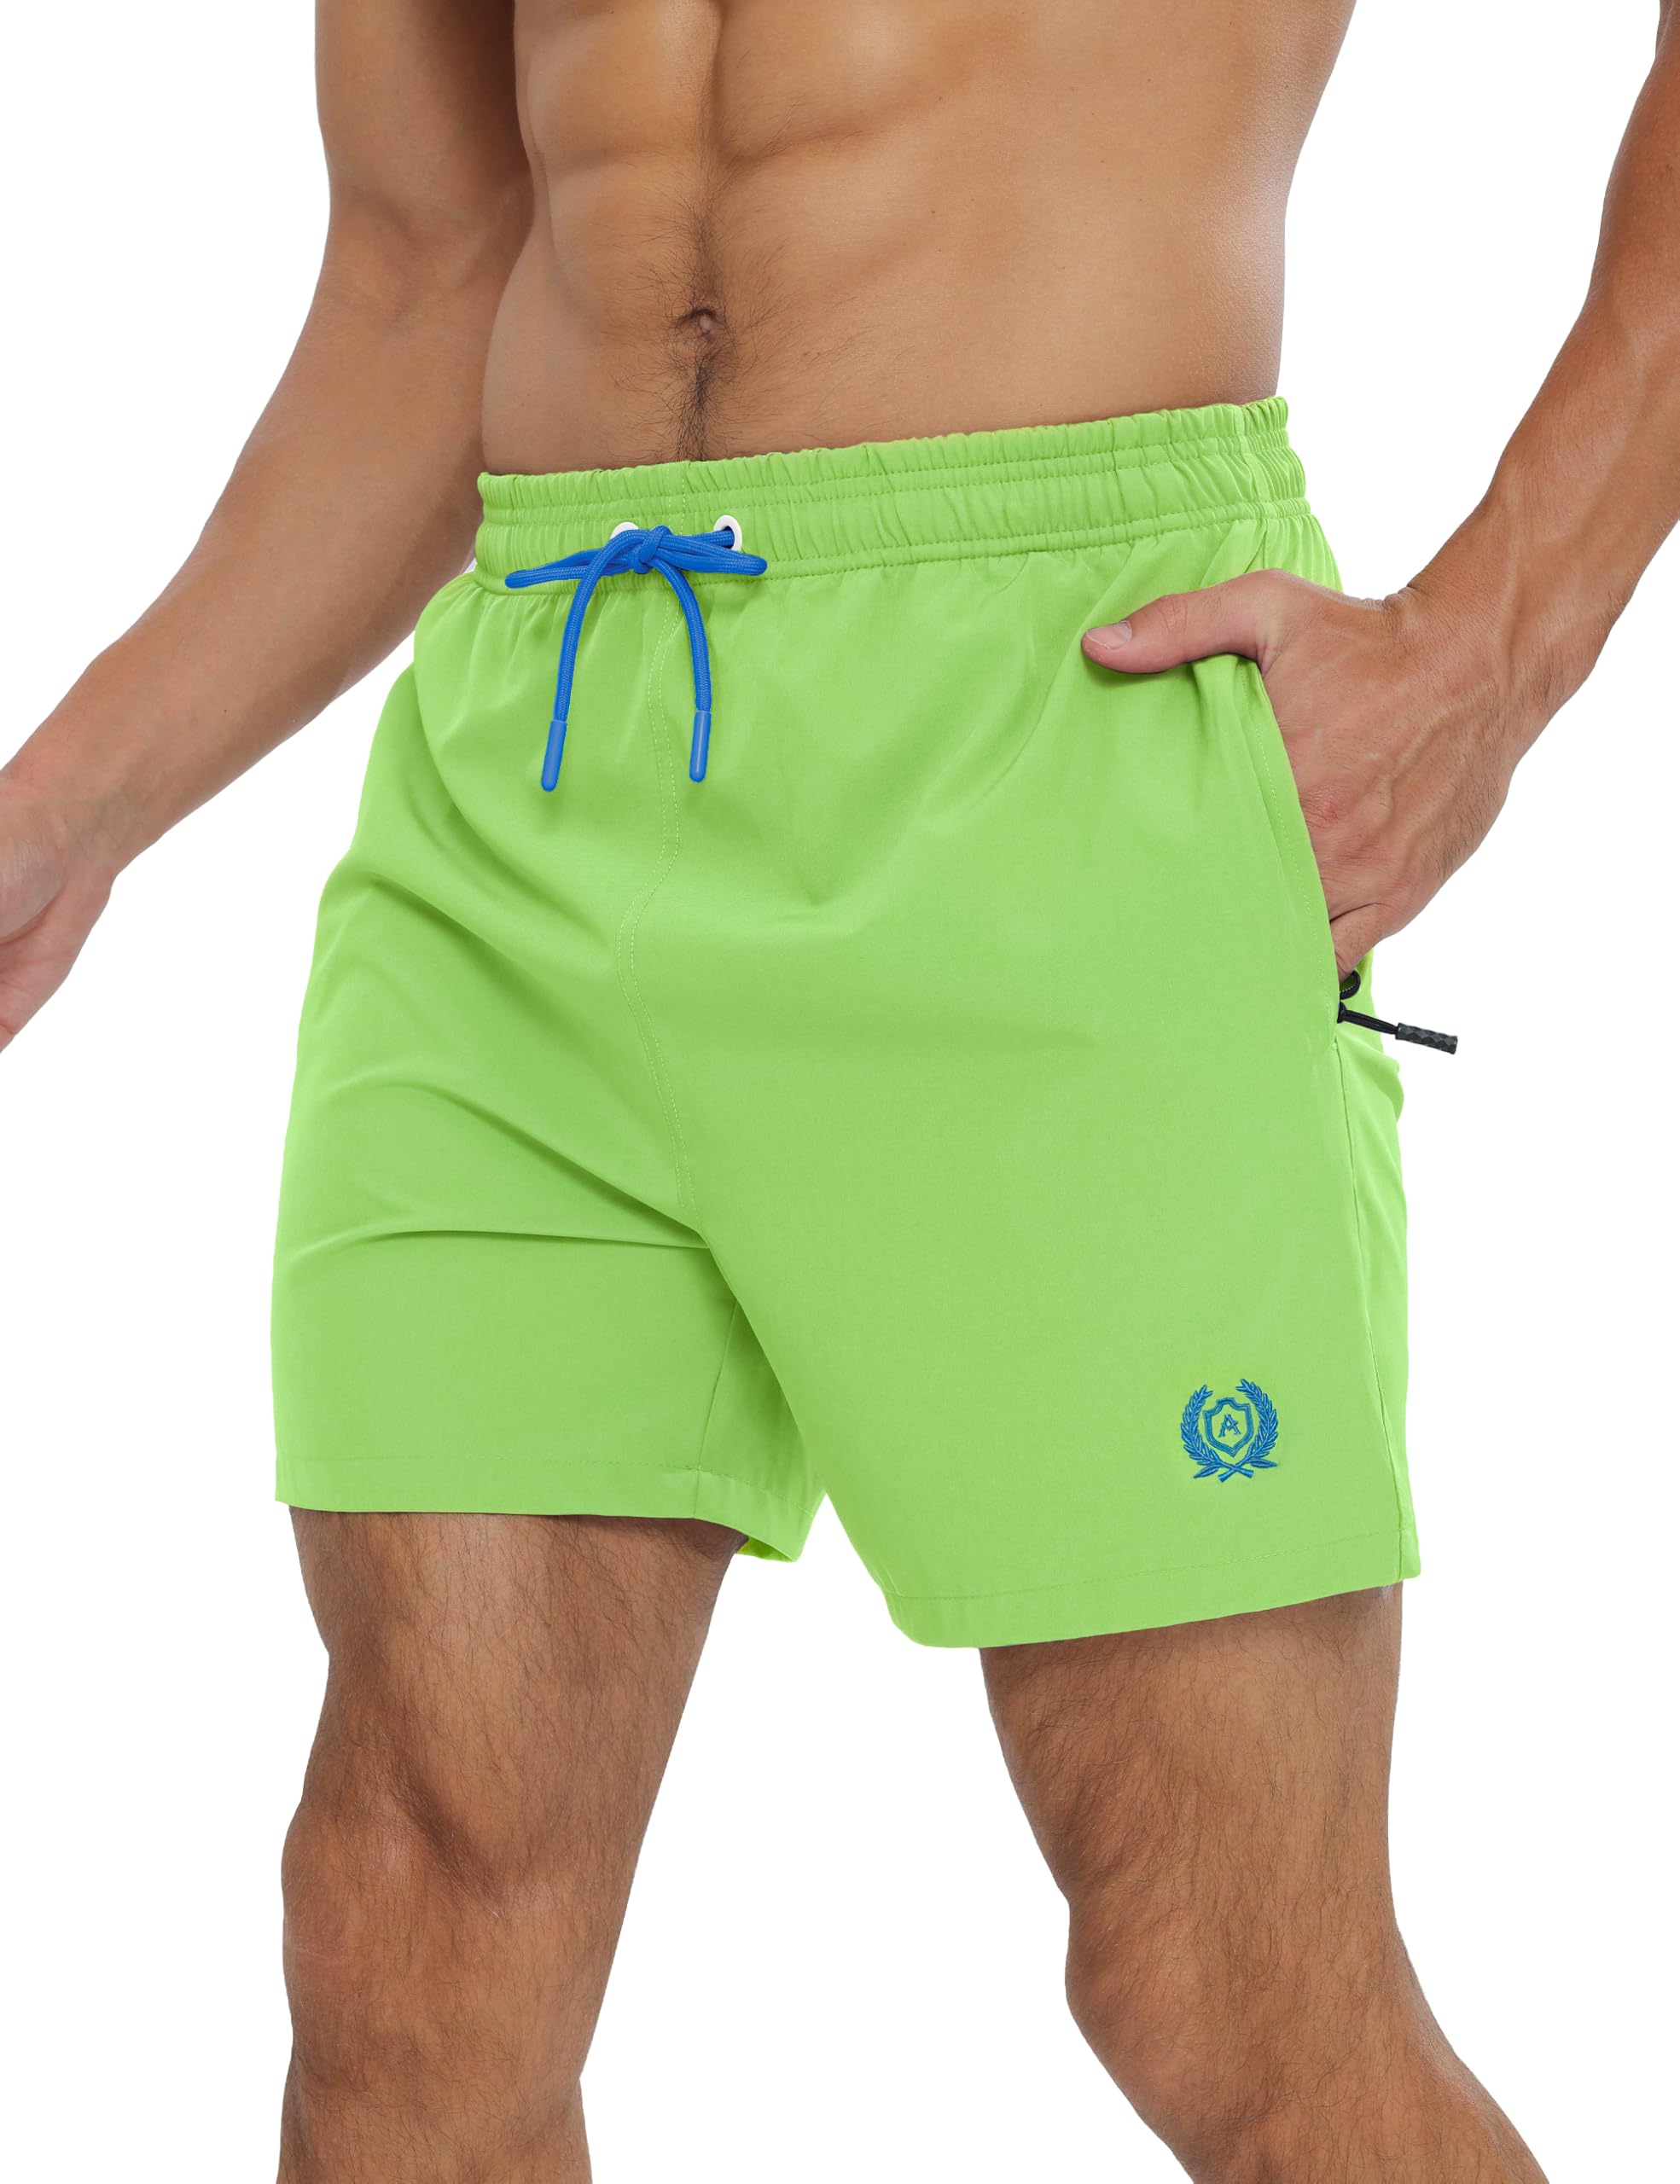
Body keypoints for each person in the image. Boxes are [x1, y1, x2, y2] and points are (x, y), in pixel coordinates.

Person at [3, 2, 1675, 2176]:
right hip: (531, 772)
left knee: (1225, 1982)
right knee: (409, 1947)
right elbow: (432, 262)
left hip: (1063, 721)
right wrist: (70, 801)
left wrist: (1495, 646)